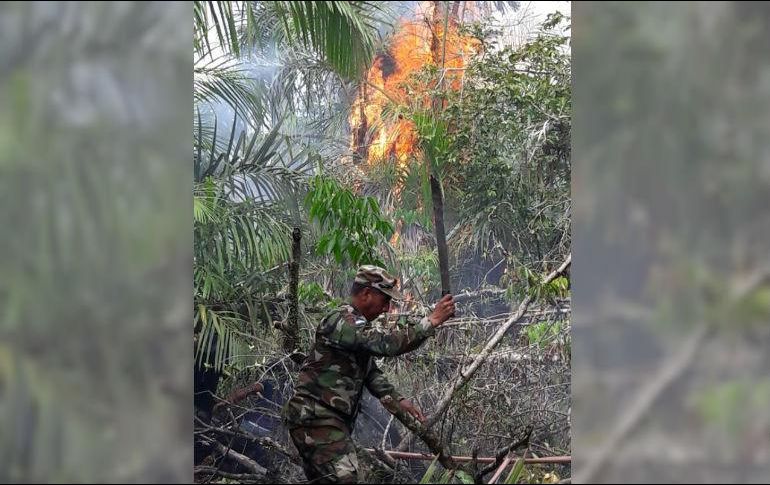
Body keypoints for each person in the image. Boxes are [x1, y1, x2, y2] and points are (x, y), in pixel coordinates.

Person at [283, 265, 455, 483]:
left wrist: (398, 399)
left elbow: (369, 372)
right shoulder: (341, 321)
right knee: (346, 478)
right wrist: (431, 321)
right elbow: (386, 344)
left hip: (322, 419)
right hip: (316, 417)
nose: (386, 308)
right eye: (385, 300)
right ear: (366, 294)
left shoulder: (355, 326)